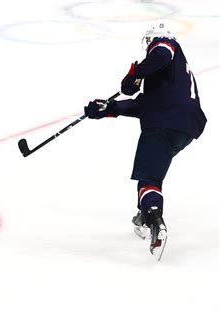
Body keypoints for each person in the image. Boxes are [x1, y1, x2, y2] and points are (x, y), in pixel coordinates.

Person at [83, 23, 207, 258]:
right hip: (185, 127)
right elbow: (147, 105)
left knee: (149, 178)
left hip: (164, 123)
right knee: (152, 169)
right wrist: (109, 108)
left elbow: (161, 53)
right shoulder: (173, 77)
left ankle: (154, 217)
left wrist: (136, 73)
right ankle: (144, 210)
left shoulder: (165, 46)